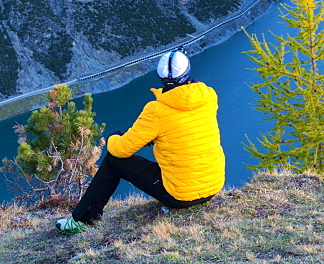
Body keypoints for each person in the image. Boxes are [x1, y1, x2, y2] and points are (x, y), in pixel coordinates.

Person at [55, 48, 225, 234]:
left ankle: (82, 220)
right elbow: (183, 124)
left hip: (180, 195)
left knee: (114, 161)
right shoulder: (209, 97)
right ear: (187, 74)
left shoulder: (156, 110)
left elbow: (121, 150)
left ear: (160, 77)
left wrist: (114, 137)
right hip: (213, 185)